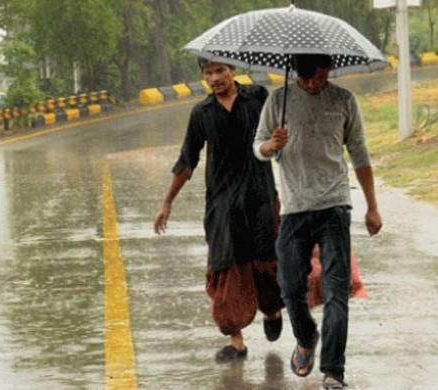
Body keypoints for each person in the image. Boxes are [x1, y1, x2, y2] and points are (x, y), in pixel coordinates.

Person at [253, 54, 382, 389]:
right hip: (294, 209)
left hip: (335, 206)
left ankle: (333, 372)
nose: (313, 83)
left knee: (336, 291)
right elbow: (258, 146)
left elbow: (360, 153)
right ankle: (306, 336)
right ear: (296, 73)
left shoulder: (343, 100)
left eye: (320, 76)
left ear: (329, 70)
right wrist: (271, 145)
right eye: (306, 78)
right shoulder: (278, 100)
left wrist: (372, 206)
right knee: (290, 286)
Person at [154, 59, 284, 362]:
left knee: (266, 263)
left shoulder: (258, 98)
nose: (215, 78)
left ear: (232, 71)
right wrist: (167, 202)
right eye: (208, 74)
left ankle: (272, 309)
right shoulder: (202, 113)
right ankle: (236, 341)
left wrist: (279, 139)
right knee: (225, 268)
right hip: (223, 205)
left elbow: (278, 140)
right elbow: (188, 160)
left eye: (220, 71)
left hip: (260, 197)